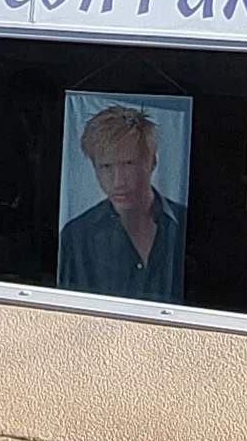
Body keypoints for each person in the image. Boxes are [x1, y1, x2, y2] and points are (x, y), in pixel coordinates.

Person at [57, 104, 186, 303]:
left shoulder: (184, 223)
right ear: (95, 168)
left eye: (129, 164)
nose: (118, 181)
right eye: (106, 166)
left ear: (151, 162)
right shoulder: (76, 235)